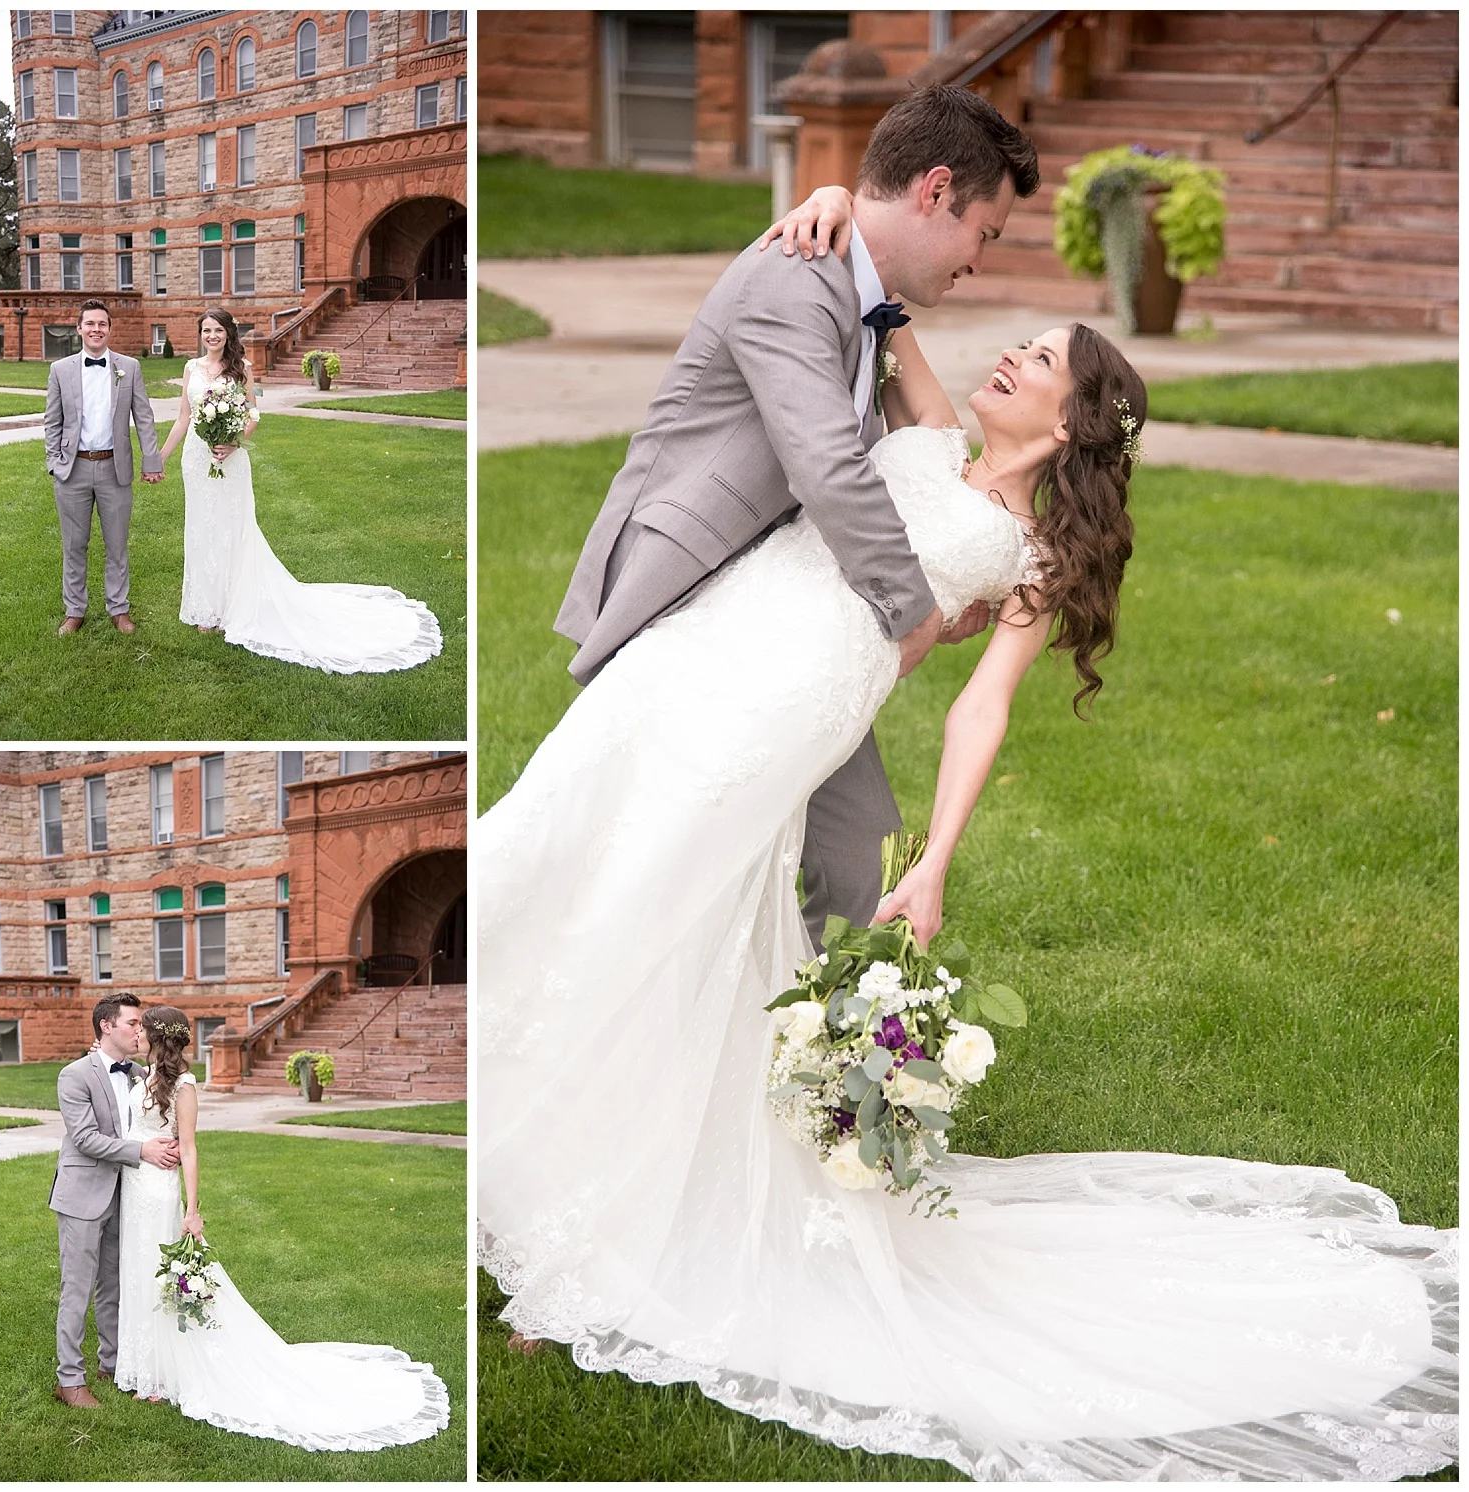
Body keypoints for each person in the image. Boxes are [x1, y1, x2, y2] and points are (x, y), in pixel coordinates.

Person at [477, 192, 1457, 1481]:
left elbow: (982, 710)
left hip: (779, 714)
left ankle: (582, 1244)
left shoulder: (1034, 552)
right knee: (549, 835)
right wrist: (830, 194)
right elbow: (877, 298)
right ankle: (502, 1115)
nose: (1012, 355)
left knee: (657, 913)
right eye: (1021, 341)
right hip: (689, 658)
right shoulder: (930, 434)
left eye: (1042, 360)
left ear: (1070, 422)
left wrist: (932, 862)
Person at [553, 85, 1039, 949]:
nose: (978, 261)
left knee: (853, 853)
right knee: (649, 853)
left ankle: (817, 1058)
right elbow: (829, 466)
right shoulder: (794, 278)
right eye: (983, 233)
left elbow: (914, 442)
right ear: (935, 192)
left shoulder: (855, 285)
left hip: (782, 616)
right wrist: (914, 612)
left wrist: (837, 195)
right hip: (691, 589)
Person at [110, 1005, 449, 1449]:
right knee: (138, 1272)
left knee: (162, 1279)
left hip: (158, 1192)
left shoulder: (185, 1086)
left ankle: (167, 1374)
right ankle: (148, 1369)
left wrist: (192, 1210)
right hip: (134, 1186)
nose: (135, 1033)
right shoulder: (142, 1077)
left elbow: (189, 1149)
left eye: (142, 1028)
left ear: (158, 1037)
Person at [158, 308, 443, 674]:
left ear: (229, 334)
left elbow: (253, 414)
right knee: (201, 531)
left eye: (218, 330)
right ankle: (205, 607)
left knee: (233, 529)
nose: (211, 336)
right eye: (206, 330)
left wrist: (233, 441)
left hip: (230, 459)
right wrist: (161, 456)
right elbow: (184, 416)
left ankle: (234, 606)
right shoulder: (190, 369)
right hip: (196, 461)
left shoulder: (241, 367)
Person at [51, 993, 179, 1407]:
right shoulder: (74, 1075)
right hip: (82, 1195)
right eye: (132, 1023)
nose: (139, 1030)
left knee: (115, 1285)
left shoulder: (139, 1072)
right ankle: (69, 1379)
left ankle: (113, 1363)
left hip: (127, 1195)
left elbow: (173, 1084)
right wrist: (142, 1152)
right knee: (78, 1288)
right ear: (107, 1026)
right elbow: (86, 1139)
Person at [44, 300, 165, 637]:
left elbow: (144, 417)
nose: (96, 329)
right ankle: (74, 610)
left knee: (117, 543)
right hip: (73, 470)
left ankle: (119, 608)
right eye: (90, 324)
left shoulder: (129, 367)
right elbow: (52, 421)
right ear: (79, 328)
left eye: (102, 324)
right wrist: (54, 461)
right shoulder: (60, 369)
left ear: (110, 329)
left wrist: (151, 460)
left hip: (115, 468)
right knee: (74, 545)